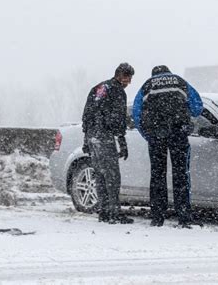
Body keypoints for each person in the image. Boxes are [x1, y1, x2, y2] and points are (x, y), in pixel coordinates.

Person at [132, 65, 203, 228]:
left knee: (157, 174)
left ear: (154, 74)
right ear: (168, 72)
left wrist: (147, 135)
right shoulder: (180, 81)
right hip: (179, 133)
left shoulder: (147, 85)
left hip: (157, 135)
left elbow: (136, 113)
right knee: (181, 174)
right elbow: (197, 108)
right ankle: (184, 216)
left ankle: (157, 216)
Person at [81, 62, 135, 224]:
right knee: (112, 176)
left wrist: (86, 138)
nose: (129, 83)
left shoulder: (98, 88)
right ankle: (114, 213)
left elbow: (87, 113)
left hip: (92, 136)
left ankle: (103, 211)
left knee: (100, 175)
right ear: (120, 76)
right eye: (128, 79)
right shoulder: (117, 91)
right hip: (104, 136)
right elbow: (117, 119)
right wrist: (122, 141)